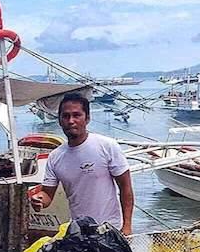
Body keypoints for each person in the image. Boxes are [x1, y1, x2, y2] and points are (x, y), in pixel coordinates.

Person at [30, 92, 134, 235]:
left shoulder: (107, 146)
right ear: (59, 120)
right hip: (79, 232)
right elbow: (47, 195)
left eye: (76, 115)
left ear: (87, 118)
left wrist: (127, 226)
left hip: (110, 230)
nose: (71, 120)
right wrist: (39, 200)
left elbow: (125, 186)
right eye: (66, 116)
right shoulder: (55, 157)